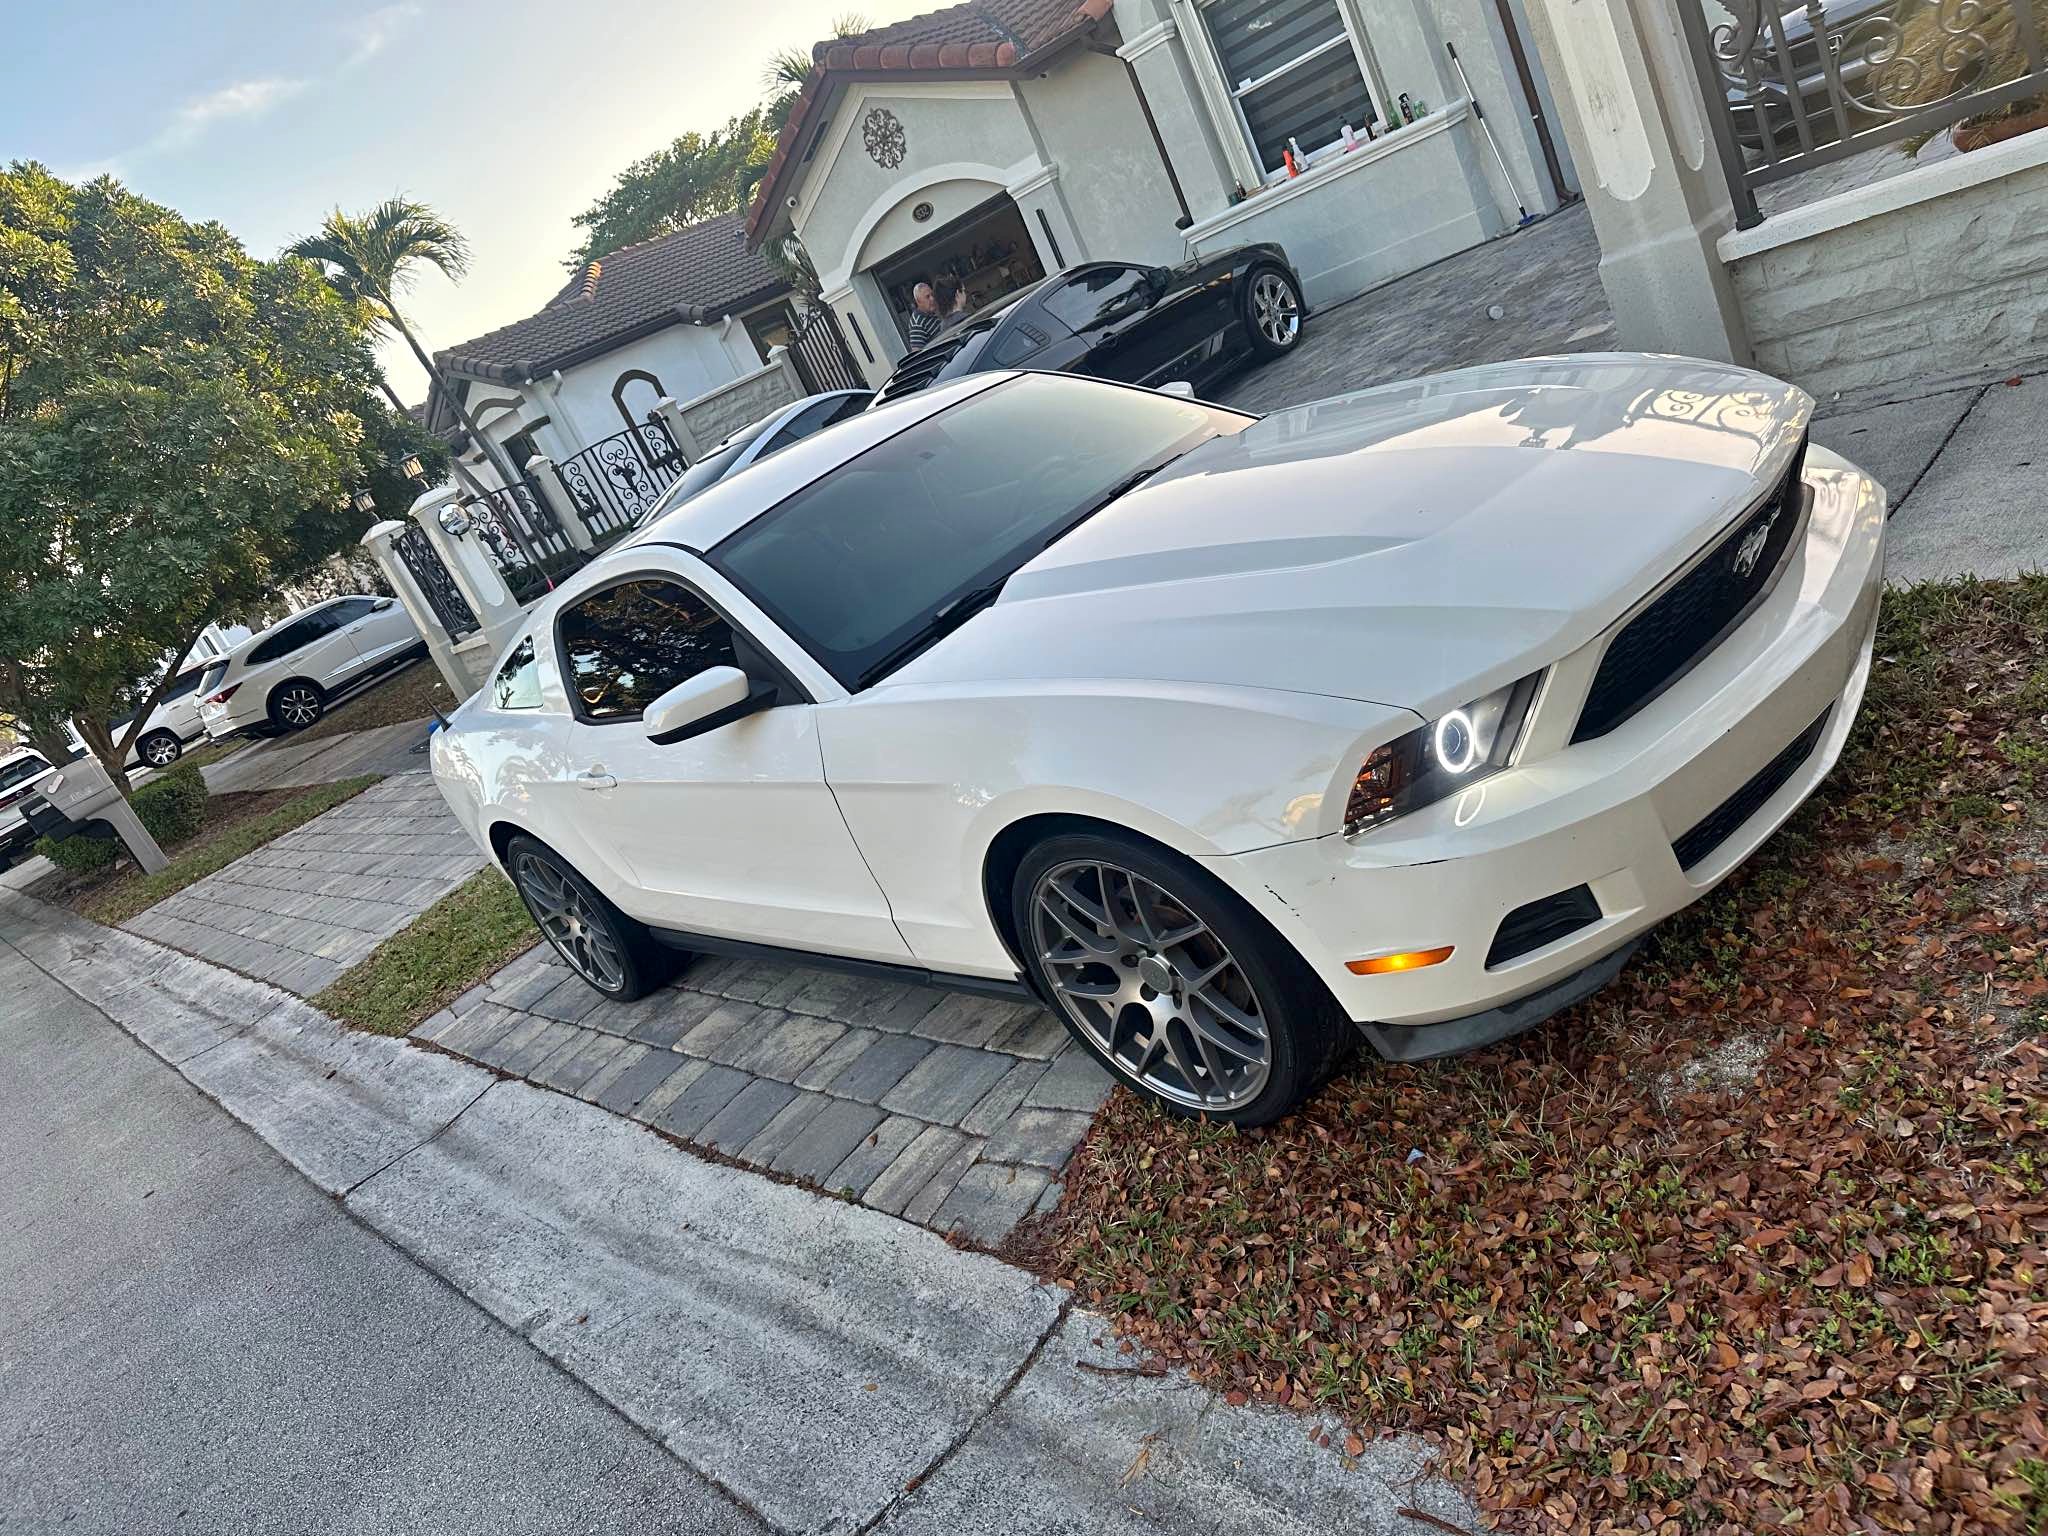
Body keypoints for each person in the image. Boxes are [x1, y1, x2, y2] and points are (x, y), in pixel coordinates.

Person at [906, 281, 943, 348]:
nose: (932, 298)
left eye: (932, 294)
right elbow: (917, 352)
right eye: (927, 297)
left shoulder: (931, 312)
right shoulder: (917, 323)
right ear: (918, 301)